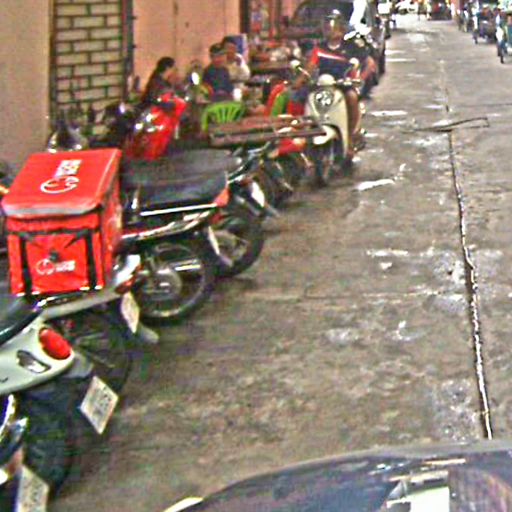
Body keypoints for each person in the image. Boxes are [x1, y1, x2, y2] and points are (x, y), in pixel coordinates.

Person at [294, 10, 363, 158]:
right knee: (302, 98)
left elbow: (362, 65)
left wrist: (356, 77)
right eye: (328, 27)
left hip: (343, 84)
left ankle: (350, 136)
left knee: (352, 98)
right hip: (323, 85)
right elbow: (310, 66)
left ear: (342, 29)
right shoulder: (319, 48)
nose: (331, 30)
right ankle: (302, 136)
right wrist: (300, 80)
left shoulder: (351, 47)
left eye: (334, 27)